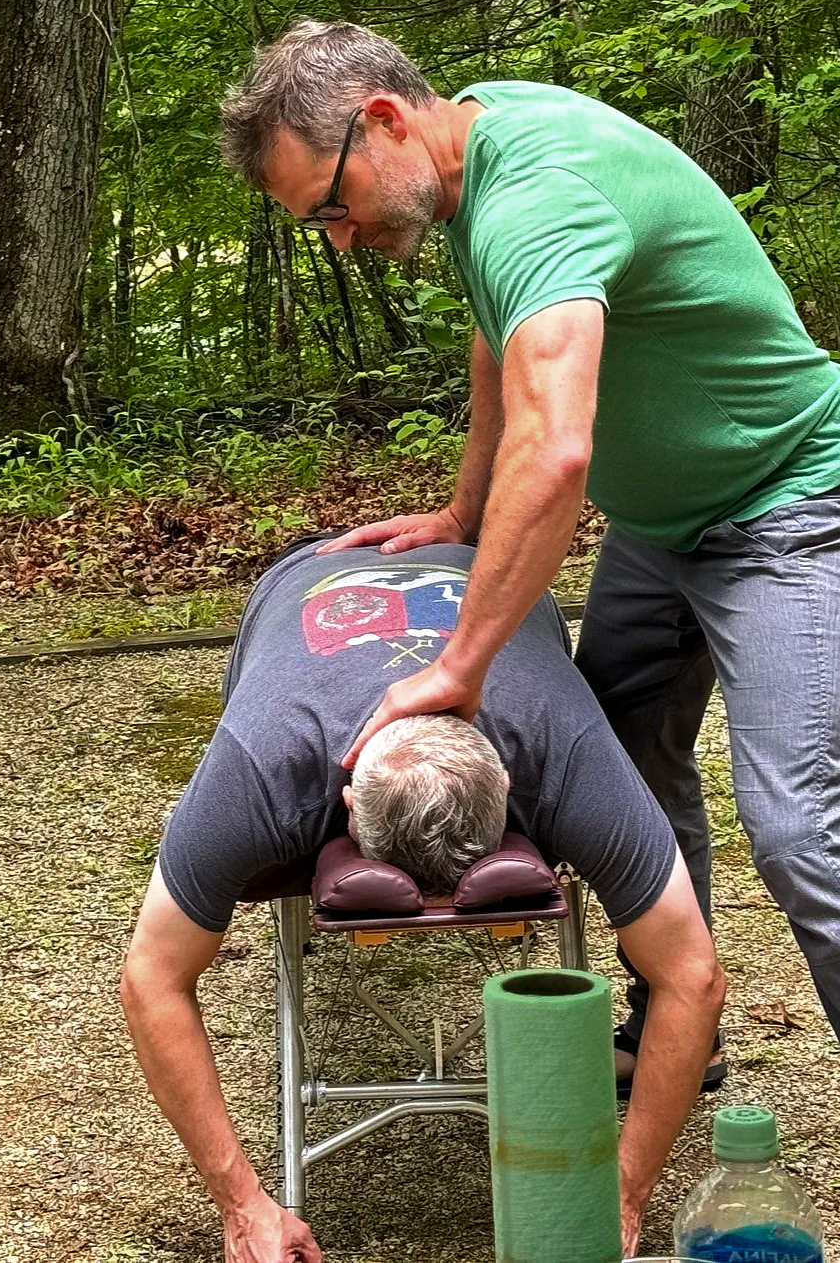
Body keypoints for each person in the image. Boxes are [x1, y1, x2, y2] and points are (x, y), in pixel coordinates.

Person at [219, 18, 840, 1263]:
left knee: (803, 834)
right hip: (663, 521)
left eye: (329, 206)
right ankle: (677, 1022)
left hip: (789, 503)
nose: (342, 240)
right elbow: (502, 334)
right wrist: (461, 515)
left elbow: (558, 449)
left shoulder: (537, 192)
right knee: (622, 755)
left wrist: (460, 667)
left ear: (380, 120)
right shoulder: (470, 149)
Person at [120, 539, 724, 1263]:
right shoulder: (259, 762)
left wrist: (621, 1192)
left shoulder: (567, 747)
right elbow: (150, 978)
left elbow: (692, 978)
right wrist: (243, 1205)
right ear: (345, 804)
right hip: (299, 577)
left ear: (510, 788)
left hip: (492, 562)